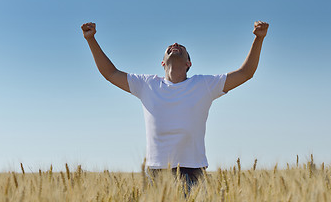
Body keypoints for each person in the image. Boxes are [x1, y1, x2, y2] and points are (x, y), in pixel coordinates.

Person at [81, 21, 269, 185]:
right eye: (169, 47)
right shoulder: (147, 84)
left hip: (193, 170)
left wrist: (258, 39)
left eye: (181, 47)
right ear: (162, 63)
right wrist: (91, 39)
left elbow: (245, 73)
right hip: (156, 172)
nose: (175, 44)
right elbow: (111, 73)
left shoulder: (204, 84)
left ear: (189, 63)